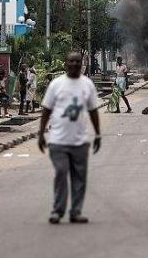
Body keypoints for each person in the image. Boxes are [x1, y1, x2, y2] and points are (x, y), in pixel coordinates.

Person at [37, 52, 101, 224]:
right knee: (61, 172)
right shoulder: (56, 84)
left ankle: (76, 211)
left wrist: (98, 134)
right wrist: (41, 133)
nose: (74, 64)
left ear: (82, 64)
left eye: (77, 61)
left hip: (80, 141)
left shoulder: (87, 84)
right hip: (58, 141)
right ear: (66, 63)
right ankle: (57, 210)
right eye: (71, 61)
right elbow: (46, 110)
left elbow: (93, 110)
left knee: (79, 177)